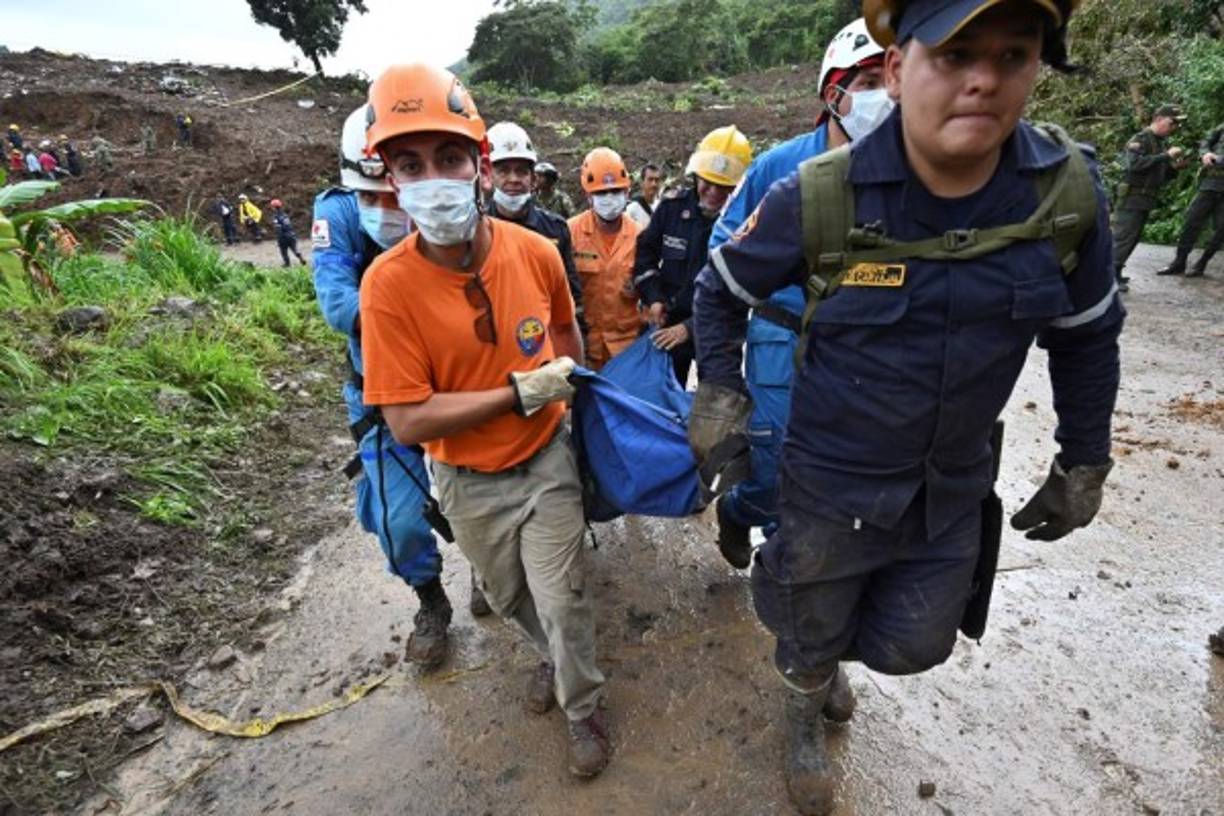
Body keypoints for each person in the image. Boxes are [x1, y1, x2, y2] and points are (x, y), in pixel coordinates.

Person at [690, 1, 1123, 813]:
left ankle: (824, 665)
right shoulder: (817, 195)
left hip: (949, 488)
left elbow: (1089, 335)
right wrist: (721, 396)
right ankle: (804, 702)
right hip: (828, 487)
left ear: (1035, 68)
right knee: (808, 629)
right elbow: (721, 290)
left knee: (913, 646)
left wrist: (1084, 458)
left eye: (1012, 54)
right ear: (899, 70)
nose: (984, 79)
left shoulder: (1064, 196)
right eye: (956, 55)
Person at [359, 63, 609, 777]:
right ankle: (551, 661)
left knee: (563, 599)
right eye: (411, 164)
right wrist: (516, 392)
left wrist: (558, 395)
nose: (432, 176)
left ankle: (583, 706)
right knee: (508, 598)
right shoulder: (388, 287)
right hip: (466, 482)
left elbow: (566, 335)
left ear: (478, 164)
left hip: (544, 462)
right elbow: (407, 420)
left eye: (448, 157)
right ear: (391, 179)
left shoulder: (535, 251)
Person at [707, 16, 889, 570]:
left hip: (863, 346)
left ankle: (798, 592)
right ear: (835, 94)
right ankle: (739, 511)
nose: (891, 96)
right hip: (780, 338)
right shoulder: (778, 167)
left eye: (897, 78)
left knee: (844, 472)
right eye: (872, 81)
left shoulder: (912, 175)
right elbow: (722, 253)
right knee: (778, 466)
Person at [312, 104, 487, 668]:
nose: (387, 211)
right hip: (381, 396)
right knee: (399, 517)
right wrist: (403, 305)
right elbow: (338, 303)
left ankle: (489, 568)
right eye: (374, 197)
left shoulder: (442, 204)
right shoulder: (336, 214)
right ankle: (430, 599)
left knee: (489, 490)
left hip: (456, 381)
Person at [635, 127, 751, 384]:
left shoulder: (746, 224)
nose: (714, 192)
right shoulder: (671, 208)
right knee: (660, 399)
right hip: (669, 324)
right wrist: (654, 298)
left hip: (717, 332)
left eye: (724, 187)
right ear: (696, 176)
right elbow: (645, 255)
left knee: (716, 401)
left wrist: (690, 328)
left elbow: (738, 296)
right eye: (708, 183)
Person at [485, 121, 588, 336]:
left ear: (533, 179)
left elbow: (571, 293)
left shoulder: (554, 228)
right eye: (503, 171)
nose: (513, 179)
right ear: (488, 176)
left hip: (543, 339)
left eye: (521, 171)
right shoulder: (475, 230)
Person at [568, 147, 643, 370]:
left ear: (627, 193)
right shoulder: (570, 233)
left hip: (626, 349)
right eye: (601, 193)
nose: (609, 198)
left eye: (616, 191)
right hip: (583, 346)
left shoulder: (641, 237)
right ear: (588, 196)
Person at [1112, 104, 1189, 291]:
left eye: (1176, 125)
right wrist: (1165, 156)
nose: (1174, 128)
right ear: (1159, 119)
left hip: (1145, 200)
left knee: (1132, 238)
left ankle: (1116, 273)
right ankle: (1108, 278)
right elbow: (1135, 165)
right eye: (1172, 123)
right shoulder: (1140, 139)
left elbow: (1158, 174)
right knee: (1123, 238)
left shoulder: (1160, 142)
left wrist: (1174, 168)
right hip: (1132, 198)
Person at [1156, 121, 1224, 278]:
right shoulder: (1221, 126)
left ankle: (1202, 263)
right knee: (1191, 220)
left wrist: (1218, 159)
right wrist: (1205, 153)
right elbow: (1206, 141)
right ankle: (1179, 262)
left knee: (1221, 230)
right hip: (1210, 184)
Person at [269, 199, 307, 266]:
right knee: (294, 249)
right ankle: (300, 256)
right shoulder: (285, 215)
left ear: (274, 207)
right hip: (291, 235)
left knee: (283, 251)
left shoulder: (276, 217)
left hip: (283, 236)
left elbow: (278, 228)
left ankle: (287, 263)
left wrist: (279, 238)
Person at [626, 163, 662, 229]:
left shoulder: (662, 207)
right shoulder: (631, 210)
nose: (654, 184)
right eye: (650, 179)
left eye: (657, 180)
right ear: (642, 182)